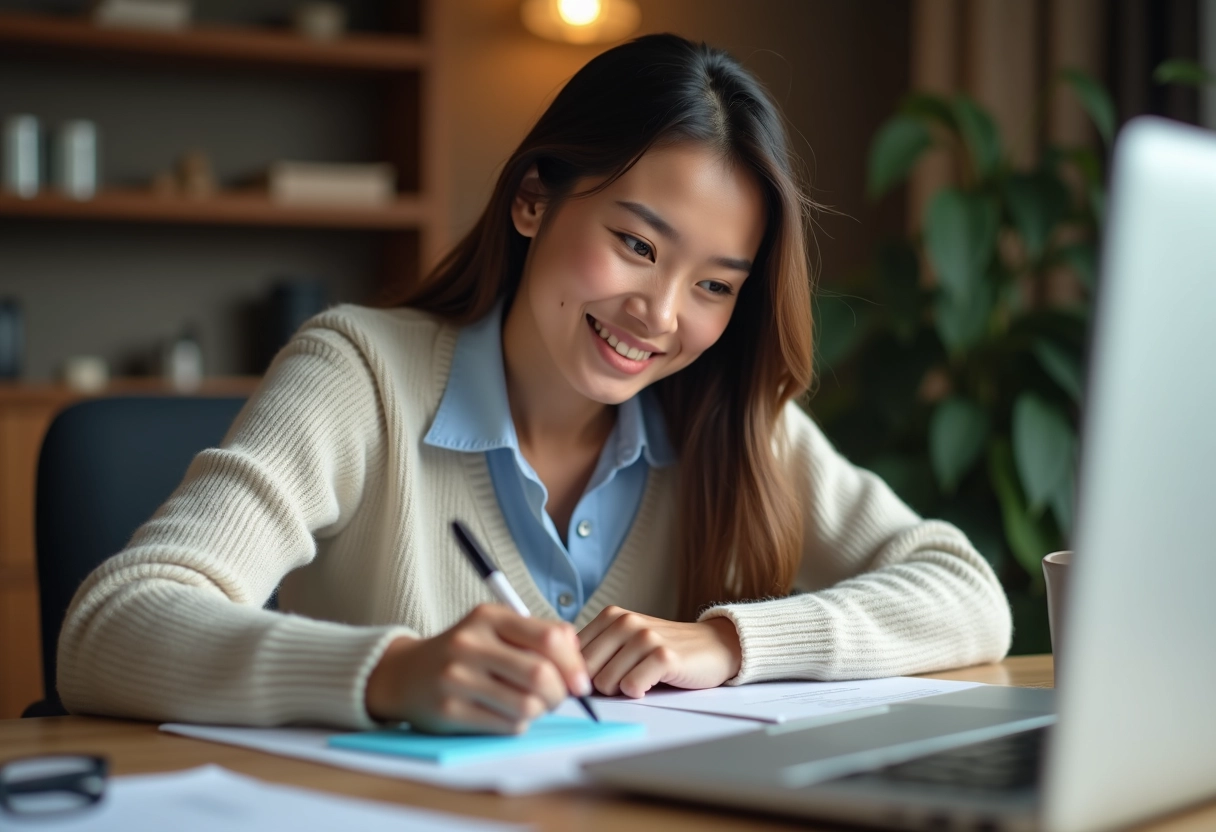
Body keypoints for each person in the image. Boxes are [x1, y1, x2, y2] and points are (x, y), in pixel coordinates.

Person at [58, 34, 1011, 734]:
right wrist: (392, 671)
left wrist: (726, 644)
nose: (662, 315)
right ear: (531, 200)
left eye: (715, 285)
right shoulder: (361, 374)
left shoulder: (728, 419)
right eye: (636, 245)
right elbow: (110, 627)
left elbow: (969, 594)